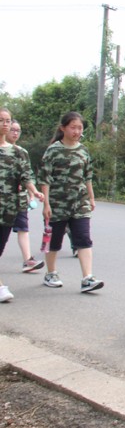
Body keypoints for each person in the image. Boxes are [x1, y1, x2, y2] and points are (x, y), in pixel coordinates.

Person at [39, 111, 104, 293]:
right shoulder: (53, 150)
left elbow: (88, 176)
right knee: (55, 241)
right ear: (63, 128)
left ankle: (87, 278)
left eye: (80, 128)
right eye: (73, 127)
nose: (76, 131)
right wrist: (46, 204)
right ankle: (51, 273)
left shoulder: (83, 150)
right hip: (57, 204)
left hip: (79, 203)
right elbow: (45, 178)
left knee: (83, 239)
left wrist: (91, 198)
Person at [0, 108, 44, 302]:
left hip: (8, 207)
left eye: (8, 121)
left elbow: (26, 176)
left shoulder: (19, 153)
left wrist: (34, 191)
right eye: (1, 120)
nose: (5, 124)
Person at [7, 120, 46, 273]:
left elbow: (27, 176)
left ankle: (28, 260)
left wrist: (33, 193)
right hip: (3, 200)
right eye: (12, 130)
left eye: (18, 130)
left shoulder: (22, 152)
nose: (15, 133)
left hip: (19, 198)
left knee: (23, 227)